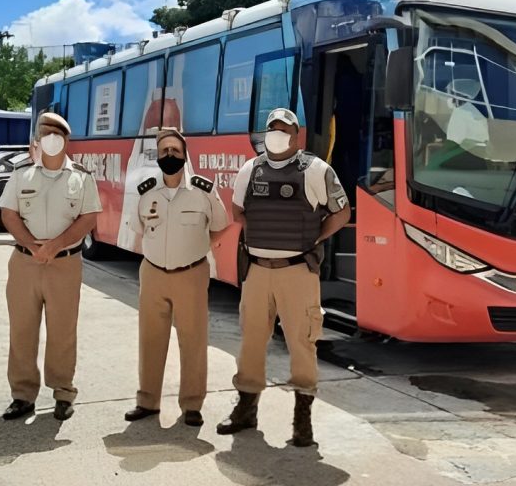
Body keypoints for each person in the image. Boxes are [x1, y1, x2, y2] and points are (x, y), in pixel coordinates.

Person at [217, 108, 351, 447]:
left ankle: (302, 419)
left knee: (302, 345)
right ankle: (246, 408)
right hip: (259, 271)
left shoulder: (316, 170)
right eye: (272, 128)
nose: (277, 133)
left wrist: (316, 238)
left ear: (296, 135)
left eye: (284, 128)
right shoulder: (251, 168)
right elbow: (238, 211)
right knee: (250, 342)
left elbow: (342, 212)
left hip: (297, 272)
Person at [0, 112, 102, 421]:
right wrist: (31, 244)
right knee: (22, 331)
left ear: (66, 140)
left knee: (62, 332)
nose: (51, 139)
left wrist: (55, 245)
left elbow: (89, 217)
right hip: (25, 263)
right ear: (38, 141)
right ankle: (22, 395)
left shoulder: (81, 177)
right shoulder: (22, 174)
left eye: (57, 134)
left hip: (64, 264)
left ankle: (63, 392)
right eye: (45, 134)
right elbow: (8, 213)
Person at [124, 128, 229, 427]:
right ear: (157, 156)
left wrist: (198, 247)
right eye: (164, 151)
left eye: (175, 150)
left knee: (193, 340)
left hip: (191, 274)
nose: (170, 156)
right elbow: (140, 228)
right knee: (150, 340)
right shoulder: (145, 192)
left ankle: (192, 405)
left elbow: (220, 226)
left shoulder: (203, 190)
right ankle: (147, 401)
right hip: (154, 273)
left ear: (185, 155)